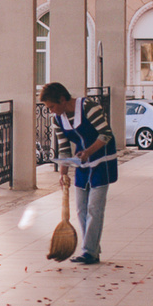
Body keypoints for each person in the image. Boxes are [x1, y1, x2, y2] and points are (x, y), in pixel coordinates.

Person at [40, 82, 115, 265]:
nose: (51, 111)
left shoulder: (89, 107)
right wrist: (63, 173)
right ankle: (92, 250)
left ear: (63, 99)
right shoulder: (58, 119)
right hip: (81, 164)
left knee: (94, 208)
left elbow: (106, 134)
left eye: (52, 106)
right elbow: (64, 147)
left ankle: (89, 251)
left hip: (101, 161)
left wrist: (89, 151)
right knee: (81, 208)